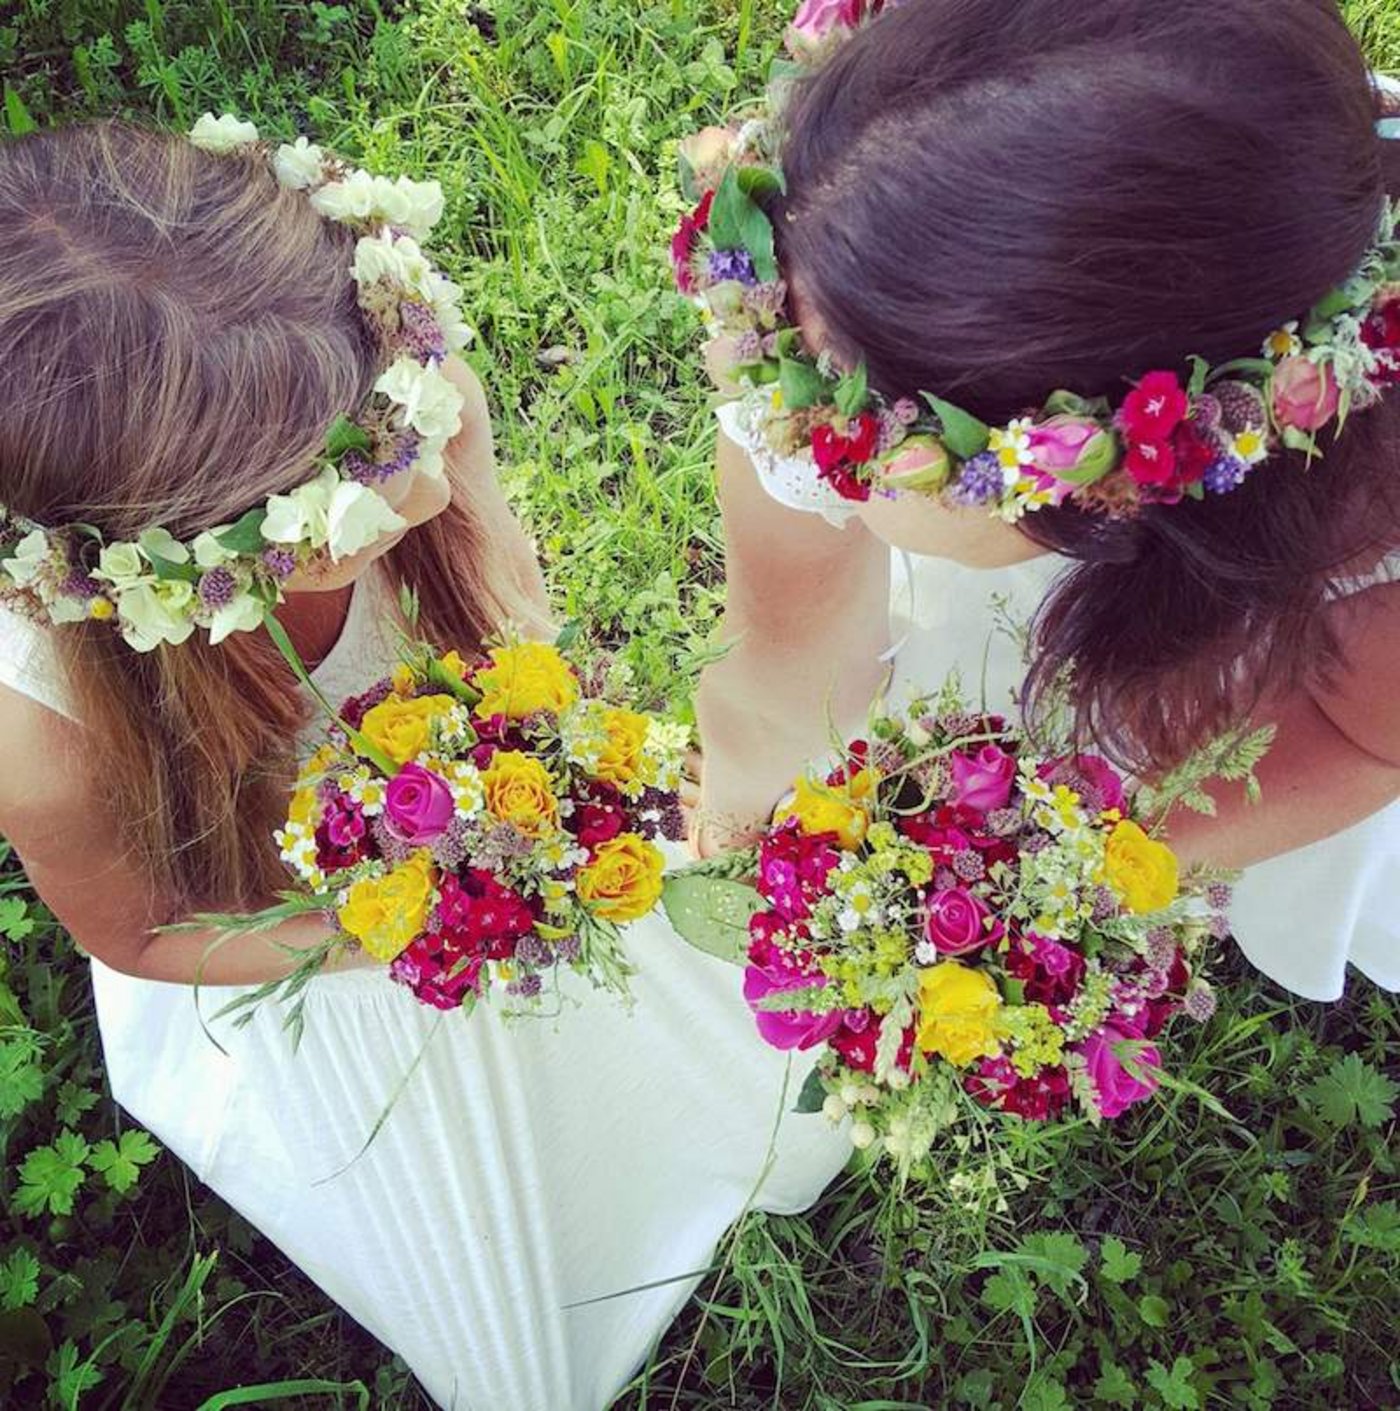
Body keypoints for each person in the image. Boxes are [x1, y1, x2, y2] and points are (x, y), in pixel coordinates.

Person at [0, 119, 847, 1409]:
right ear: (178, 574)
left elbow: (495, 578)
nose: (425, 498)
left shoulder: (384, 404)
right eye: (342, 518)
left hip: (478, 829)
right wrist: (407, 928)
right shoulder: (44, 737)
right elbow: (143, 932)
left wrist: (534, 754)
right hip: (287, 929)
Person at [694, 0, 1400, 1000]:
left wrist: (1077, 876)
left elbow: (1358, 735)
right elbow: (780, 639)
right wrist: (738, 833)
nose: (777, 405)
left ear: (1094, 482)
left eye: (846, 425)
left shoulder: (1375, 553)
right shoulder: (868, 235)